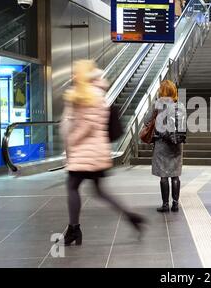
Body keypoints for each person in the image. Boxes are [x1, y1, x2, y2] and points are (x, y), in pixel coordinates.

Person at [60, 60, 145, 246]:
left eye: (76, 73)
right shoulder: (94, 93)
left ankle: (74, 229)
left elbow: (87, 124)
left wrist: (72, 141)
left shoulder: (90, 94)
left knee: (72, 186)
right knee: (99, 191)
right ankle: (131, 217)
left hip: (86, 151)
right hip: (94, 152)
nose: (73, 76)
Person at [143, 80, 186, 213]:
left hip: (161, 143)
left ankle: (165, 205)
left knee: (164, 175)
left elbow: (146, 121)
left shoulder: (157, 105)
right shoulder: (180, 105)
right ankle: (175, 204)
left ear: (161, 91)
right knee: (175, 175)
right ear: (174, 91)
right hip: (176, 144)